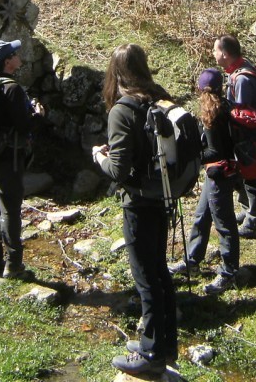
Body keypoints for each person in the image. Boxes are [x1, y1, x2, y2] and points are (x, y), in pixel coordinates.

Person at [92, 43, 178, 376]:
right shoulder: (161, 97)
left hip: (139, 201)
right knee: (160, 270)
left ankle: (152, 354)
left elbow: (117, 170)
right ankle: (162, 341)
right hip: (163, 196)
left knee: (145, 277)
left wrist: (99, 156)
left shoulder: (122, 110)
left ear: (115, 73)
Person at [171, 68, 241, 295]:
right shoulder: (227, 105)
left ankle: (229, 272)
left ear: (200, 89)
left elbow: (215, 151)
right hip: (226, 172)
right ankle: (192, 259)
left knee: (224, 223)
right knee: (202, 215)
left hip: (219, 174)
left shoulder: (212, 113)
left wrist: (192, 155)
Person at [0, 39, 39, 281]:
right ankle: (13, 265)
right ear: (7, 61)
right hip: (9, 156)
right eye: (14, 53)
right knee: (11, 210)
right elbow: (23, 126)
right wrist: (38, 115)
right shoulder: (12, 89)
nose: (18, 55)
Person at [213, 35, 256, 238]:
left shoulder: (242, 78)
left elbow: (243, 113)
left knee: (252, 179)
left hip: (249, 137)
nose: (213, 54)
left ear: (225, 54)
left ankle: (254, 223)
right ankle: (247, 211)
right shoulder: (238, 70)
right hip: (244, 137)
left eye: (215, 50)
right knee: (243, 177)